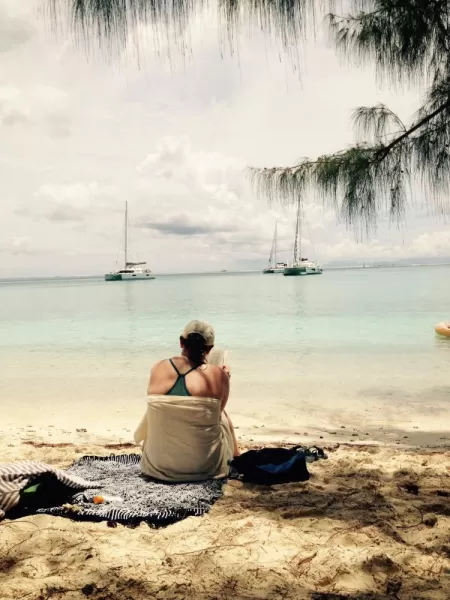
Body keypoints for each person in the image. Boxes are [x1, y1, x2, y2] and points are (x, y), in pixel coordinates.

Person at [134, 320, 239, 482]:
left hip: (157, 467)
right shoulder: (218, 375)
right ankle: (237, 457)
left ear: (181, 342)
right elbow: (217, 416)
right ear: (210, 349)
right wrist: (225, 378)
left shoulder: (158, 367)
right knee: (221, 413)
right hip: (206, 468)